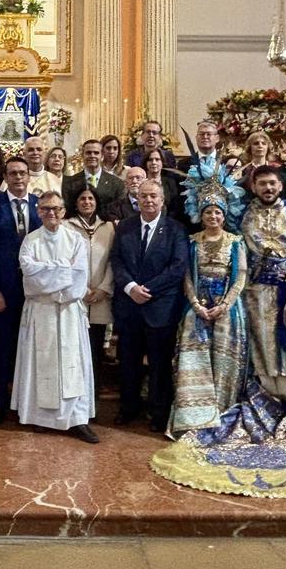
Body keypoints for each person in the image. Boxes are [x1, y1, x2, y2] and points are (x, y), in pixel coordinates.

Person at [12, 191, 97, 442]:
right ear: (38, 211)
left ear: (64, 211)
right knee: (42, 362)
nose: (51, 213)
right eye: (46, 208)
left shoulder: (76, 239)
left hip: (69, 311)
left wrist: (50, 273)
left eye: (56, 209)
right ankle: (41, 417)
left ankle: (76, 419)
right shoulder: (31, 241)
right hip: (41, 312)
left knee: (72, 364)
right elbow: (30, 277)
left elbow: (79, 276)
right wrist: (62, 268)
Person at [110, 180, 188, 432]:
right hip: (129, 307)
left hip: (161, 308)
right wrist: (131, 287)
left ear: (162, 200)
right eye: (144, 196)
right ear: (137, 200)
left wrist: (147, 290)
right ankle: (128, 408)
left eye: (153, 196)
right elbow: (116, 260)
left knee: (159, 364)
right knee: (128, 362)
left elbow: (177, 267)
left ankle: (158, 412)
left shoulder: (176, 229)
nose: (148, 200)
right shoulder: (125, 227)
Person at [168, 194, 248, 436]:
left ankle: (222, 413)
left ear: (224, 215)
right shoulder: (192, 242)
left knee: (224, 360)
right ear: (200, 216)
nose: (213, 216)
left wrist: (225, 305)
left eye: (217, 212)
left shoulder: (236, 242)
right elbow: (186, 276)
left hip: (227, 309)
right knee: (193, 360)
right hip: (197, 308)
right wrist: (195, 304)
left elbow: (240, 277)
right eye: (208, 212)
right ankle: (194, 417)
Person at [0, 157, 41, 426]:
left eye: (22, 173)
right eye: (13, 173)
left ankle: (30, 407)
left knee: (32, 350)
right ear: (5, 177)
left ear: (29, 176)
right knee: (1, 349)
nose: (18, 178)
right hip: (4, 290)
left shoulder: (40, 205)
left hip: (36, 292)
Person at [238, 165, 286, 403]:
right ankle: (265, 394)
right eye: (262, 184)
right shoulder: (242, 214)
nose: (268, 188)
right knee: (261, 340)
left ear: (280, 185)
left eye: (272, 183)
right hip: (255, 289)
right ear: (253, 187)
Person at [65, 188, 115, 389]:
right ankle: (75, 389)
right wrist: (80, 288)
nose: (87, 202)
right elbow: (65, 261)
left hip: (101, 297)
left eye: (91, 198)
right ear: (75, 203)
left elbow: (113, 260)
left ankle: (93, 391)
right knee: (74, 346)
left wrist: (104, 287)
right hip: (77, 296)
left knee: (95, 345)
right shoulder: (66, 226)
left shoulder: (108, 227)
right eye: (82, 199)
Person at [62, 139, 126, 219]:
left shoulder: (117, 184)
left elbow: (118, 210)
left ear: (102, 156)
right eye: (88, 153)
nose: (92, 156)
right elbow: (68, 210)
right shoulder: (69, 183)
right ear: (82, 155)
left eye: (96, 153)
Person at [141, 147, 179, 213]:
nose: (154, 162)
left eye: (157, 159)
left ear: (162, 163)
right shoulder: (141, 182)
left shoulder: (170, 183)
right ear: (146, 163)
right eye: (150, 160)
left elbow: (174, 206)